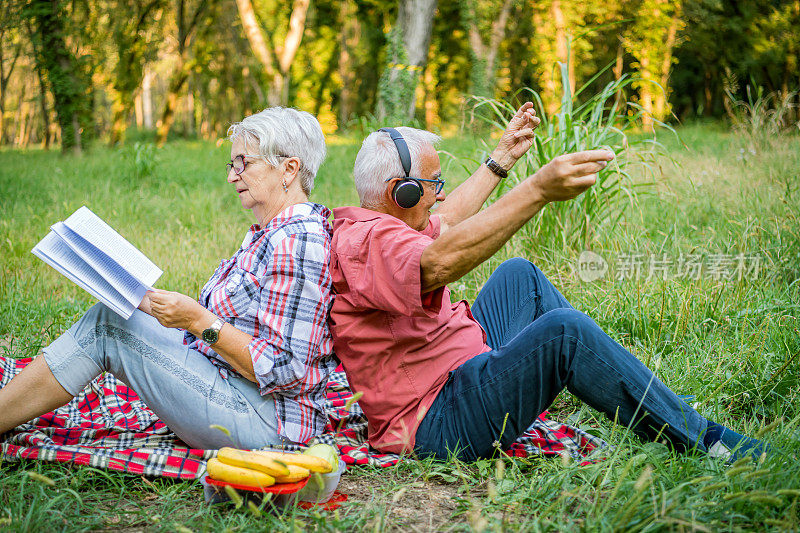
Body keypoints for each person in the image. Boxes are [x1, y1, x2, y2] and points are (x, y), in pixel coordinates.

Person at [328, 103, 768, 462]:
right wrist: (536, 189)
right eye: (433, 184)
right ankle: (709, 442)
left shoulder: (388, 224)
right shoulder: (368, 244)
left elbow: (451, 219)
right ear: (398, 192)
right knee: (564, 332)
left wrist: (500, 161)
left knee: (521, 277)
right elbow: (438, 264)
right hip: (436, 420)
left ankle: (642, 396)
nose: (440, 192)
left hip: (457, 367)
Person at [0, 107, 335, 450]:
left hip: (265, 424)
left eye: (243, 163)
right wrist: (138, 296)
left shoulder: (297, 242)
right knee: (117, 313)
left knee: (107, 326)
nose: (232, 176)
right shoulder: (270, 232)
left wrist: (196, 320)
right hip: (228, 385)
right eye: (232, 165)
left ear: (289, 169)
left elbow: (285, 369)